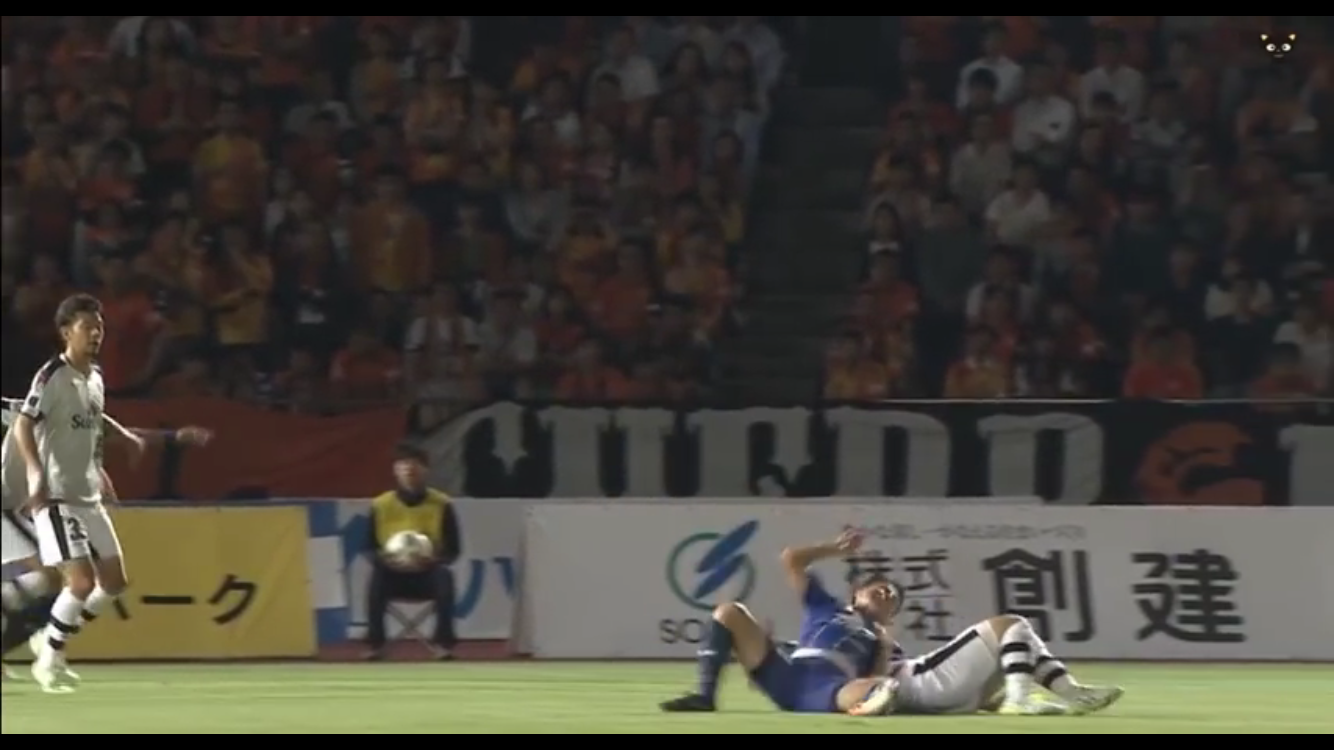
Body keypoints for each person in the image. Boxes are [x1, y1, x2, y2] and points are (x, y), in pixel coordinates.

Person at [11, 294, 213, 693]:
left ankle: (51, 637)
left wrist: (114, 458)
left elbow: (94, 423)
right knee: (80, 582)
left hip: (88, 496)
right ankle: (48, 660)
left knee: (114, 583)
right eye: (88, 327)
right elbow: (23, 424)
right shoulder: (52, 376)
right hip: (57, 498)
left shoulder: (95, 377)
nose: (96, 334)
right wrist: (35, 475)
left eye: (100, 327)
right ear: (66, 332)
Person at [659, 529, 905, 716]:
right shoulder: (826, 604)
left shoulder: (880, 640)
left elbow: (875, 677)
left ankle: (859, 706)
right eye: (881, 588)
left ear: (890, 615)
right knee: (729, 612)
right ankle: (705, 696)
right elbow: (791, 559)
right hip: (786, 671)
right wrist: (836, 549)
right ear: (857, 592)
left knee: (882, 686)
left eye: (892, 598)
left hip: (830, 686)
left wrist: (884, 644)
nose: (886, 594)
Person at [889, 613, 1124, 716]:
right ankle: (1023, 698)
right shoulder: (868, 632)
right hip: (921, 682)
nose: (887, 595)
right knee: (1009, 625)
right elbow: (872, 679)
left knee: (1017, 638)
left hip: (928, 690)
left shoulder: (872, 634)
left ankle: (1073, 693)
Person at [364, 442, 462, 661]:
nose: (409, 469)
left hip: (427, 575)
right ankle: (375, 643)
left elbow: (453, 550)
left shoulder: (442, 504)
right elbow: (369, 547)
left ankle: (443, 643)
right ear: (395, 470)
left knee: (445, 577)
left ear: (426, 470)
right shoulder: (380, 505)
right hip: (393, 574)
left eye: (415, 464)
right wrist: (386, 560)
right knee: (376, 578)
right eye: (403, 464)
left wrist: (433, 560)